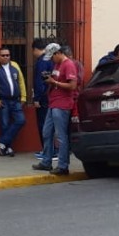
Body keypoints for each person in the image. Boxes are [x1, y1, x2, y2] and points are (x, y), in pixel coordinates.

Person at [33, 43, 77, 176]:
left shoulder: (69, 65)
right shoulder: (57, 65)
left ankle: (63, 166)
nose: (51, 60)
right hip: (53, 103)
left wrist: (55, 83)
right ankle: (46, 161)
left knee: (60, 136)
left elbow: (72, 85)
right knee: (47, 132)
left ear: (58, 53)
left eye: (52, 57)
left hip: (62, 105)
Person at [0, 46, 27, 157]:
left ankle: (2, 141)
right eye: (3, 55)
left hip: (16, 100)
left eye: (7, 55)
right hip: (2, 100)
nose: (5, 57)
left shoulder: (15, 66)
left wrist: (23, 97)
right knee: (4, 124)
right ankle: (8, 148)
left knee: (21, 120)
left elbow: (21, 81)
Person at [31, 38, 53, 160]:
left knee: (43, 124)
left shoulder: (42, 62)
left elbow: (40, 82)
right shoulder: (50, 60)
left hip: (44, 98)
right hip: (50, 96)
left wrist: (37, 98)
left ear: (35, 49)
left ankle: (47, 150)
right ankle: (50, 150)